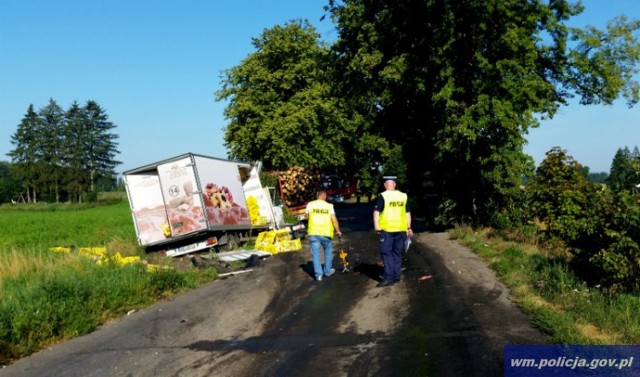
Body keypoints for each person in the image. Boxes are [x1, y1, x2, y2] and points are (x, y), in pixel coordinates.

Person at [373, 176, 413, 287]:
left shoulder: (383, 196)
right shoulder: (403, 196)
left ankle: (388, 277)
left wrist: (377, 226)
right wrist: (408, 228)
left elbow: (376, 212)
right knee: (397, 252)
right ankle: (396, 275)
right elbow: (407, 213)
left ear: (385, 185)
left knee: (386, 252)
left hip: (387, 229)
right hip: (400, 229)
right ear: (394, 184)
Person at [305, 190, 342, 281]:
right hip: (326, 234)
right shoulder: (329, 206)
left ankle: (318, 275)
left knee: (316, 255)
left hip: (314, 233)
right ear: (323, 196)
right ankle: (327, 271)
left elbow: (306, 217)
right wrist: (338, 231)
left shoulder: (310, 204)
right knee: (328, 252)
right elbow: (334, 220)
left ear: (317, 196)